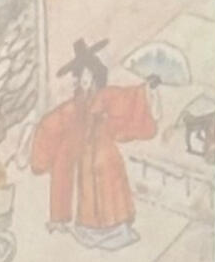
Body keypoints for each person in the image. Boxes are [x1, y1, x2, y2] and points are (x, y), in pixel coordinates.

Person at [29, 38, 160, 249]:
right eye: (81, 74)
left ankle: (117, 229)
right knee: (89, 194)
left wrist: (147, 89)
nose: (84, 79)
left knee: (110, 192)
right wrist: (41, 137)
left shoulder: (106, 96)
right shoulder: (76, 105)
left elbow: (127, 99)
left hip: (106, 155)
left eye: (88, 74)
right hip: (86, 160)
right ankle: (90, 231)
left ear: (96, 74)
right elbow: (56, 121)